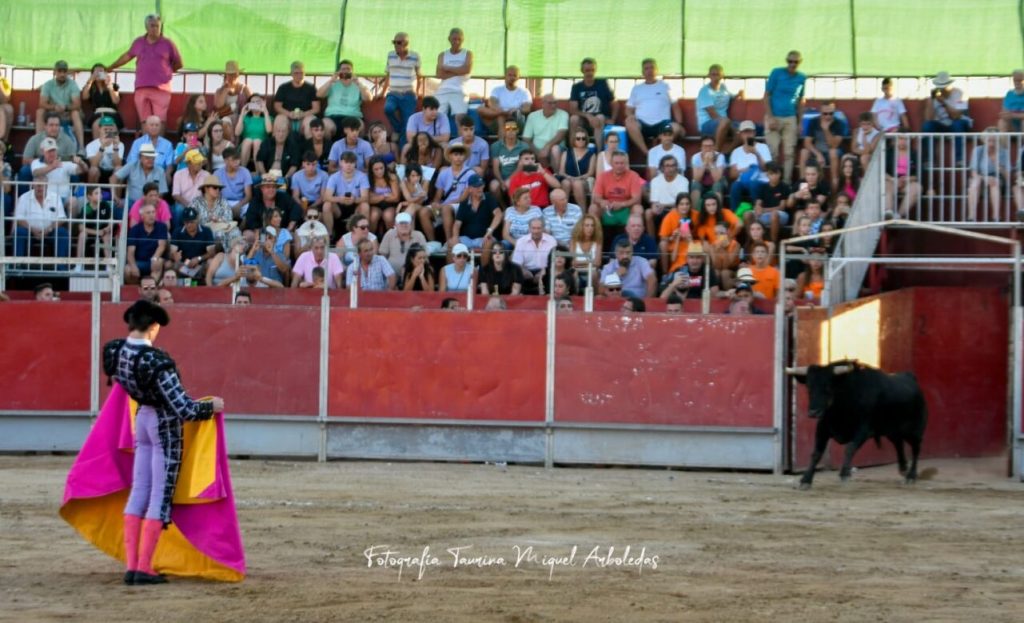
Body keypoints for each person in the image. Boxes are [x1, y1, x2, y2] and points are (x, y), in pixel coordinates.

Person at [101, 300, 225, 584]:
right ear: (154, 326)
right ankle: (144, 567)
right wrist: (212, 407)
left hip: (141, 421)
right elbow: (185, 409)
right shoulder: (156, 362)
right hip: (163, 427)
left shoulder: (115, 351)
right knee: (159, 493)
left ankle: (132, 566)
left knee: (139, 490)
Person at [108, 14, 183, 123]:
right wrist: (111, 67)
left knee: (159, 122)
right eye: (152, 26)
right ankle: (146, 141)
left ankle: (159, 141)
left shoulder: (168, 43)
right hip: (141, 87)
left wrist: (167, 72)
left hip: (161, 89)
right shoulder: (138, 42)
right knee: (144, 121)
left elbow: (179, 63)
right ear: (146, 27)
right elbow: (127, 56)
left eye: (158, 26)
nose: (155, 29)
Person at [624, 58, 684, 154]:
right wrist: (630, 116)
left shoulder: (665, 86)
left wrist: (680, 123)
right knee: (629, 123)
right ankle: (647, 153)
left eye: (652, 67)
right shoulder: (637, 88)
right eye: (646, 68)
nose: (649, 70)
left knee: (676, 128)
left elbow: (675, 106)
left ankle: (658, 149)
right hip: (642, 124)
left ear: (656, 70)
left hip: (663, 124)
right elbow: (628, 109)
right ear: (643, 72)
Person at [764, 50, 806, 182]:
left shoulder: (802, 78)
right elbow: (766, 95)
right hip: (774, 116)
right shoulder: (776, 72)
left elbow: (801, 100)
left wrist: (800, 122)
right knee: (773, 153)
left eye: (795, 62)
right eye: (790, 61)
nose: (792, 64)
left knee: (789, 153)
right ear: (786, 61)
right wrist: (770, 117)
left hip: (791, 117)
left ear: (800, 62)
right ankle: (773, 182)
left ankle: (786, 183)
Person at [380, 32, 422, 147]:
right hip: (393, 92)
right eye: (394, 42)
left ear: (406, 43)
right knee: (388, 109)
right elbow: (388, 75)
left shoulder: (415, 56)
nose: (395, 45)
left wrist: (417, 93)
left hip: (408, 93)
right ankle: (397, 128)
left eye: (398, 42)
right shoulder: (390, 55)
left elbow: (419, 76)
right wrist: (382, 92)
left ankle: (402, 152)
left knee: (408, 123)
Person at [922, 71, 972, 165]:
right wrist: (931, 100)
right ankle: (929, 159)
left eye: (943, 86)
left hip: (960, 123)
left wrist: (944, 102)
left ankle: (959, 159)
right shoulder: (935, 96)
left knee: (958, 124)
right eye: (939, 86)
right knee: (927, 126)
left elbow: (956, 116)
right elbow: (928, 118)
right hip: (943, 124)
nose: (941, 89)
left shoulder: (960, 93)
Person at [13, 181, 71, 261]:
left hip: (50, 232)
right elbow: (19, 218)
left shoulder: (55, 197)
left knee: (62, 232)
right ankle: (17, 265)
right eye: (37, 184)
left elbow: (61, 218)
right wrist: (32, 230)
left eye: (42, 184)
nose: (39, 186)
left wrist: (48, 229)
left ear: (47, 185)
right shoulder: (24, 197)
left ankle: (61, 267)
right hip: (29, 232)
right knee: (19, 232)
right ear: (32, 184)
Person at [568, 58, 617, 151]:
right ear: (582, 71)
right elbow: (573, 109)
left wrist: (612, 119)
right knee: (573, 119)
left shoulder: (603, 83)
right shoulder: (576, 87)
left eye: (592, 70)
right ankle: (573, 152)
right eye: (587, 70)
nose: (590, 73)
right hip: (584, 119)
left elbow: (614, 103)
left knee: (600, 118)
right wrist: (588, 116)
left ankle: (599, 154)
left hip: (601, 119)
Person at [36, 60, 85, 148]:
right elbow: (42, 103)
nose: (62, 74)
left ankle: (81, 147)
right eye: (59, 71)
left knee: (75, 113)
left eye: (64, 71)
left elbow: (77, 104)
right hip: (53, 113)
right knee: (40, 112)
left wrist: (65, 107)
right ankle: (39, 145)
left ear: (67, 72)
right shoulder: (48, 84)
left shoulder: (73, 84)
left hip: (68, 113)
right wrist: (54, 107)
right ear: (54, 72)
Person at [317, 59, 370, 139]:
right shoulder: (332, 84)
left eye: (348, 69)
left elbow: (368, 98)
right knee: (325, 125)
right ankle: (328, 150)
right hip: (333, 116)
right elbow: (319, 94)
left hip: (353, 116)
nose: (345, 71)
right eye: (343, 69)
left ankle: (357, 150)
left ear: (352, 72)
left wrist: (358, 83)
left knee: (359, 125)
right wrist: (331, 80)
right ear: (338, 71)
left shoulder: (358, 84)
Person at [589, 151, 644, 227]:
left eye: (622, 163)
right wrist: (603, 201)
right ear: (611, 164)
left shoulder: (633, 176)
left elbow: (636, 199)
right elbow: (597, 197)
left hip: (626, 208)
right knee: (593, 208)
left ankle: (635, 237)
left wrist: (622, 204)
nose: (619, 166)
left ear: (625, 164)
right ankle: (596, 237)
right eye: (616, 163)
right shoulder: (603, 176)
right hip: (607, 208)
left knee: (638, 209)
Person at [967, 129, 1011, 222]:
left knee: (994, 182)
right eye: (989, 140)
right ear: (984, 140)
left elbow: (1008, 176)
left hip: (998, 177)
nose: (991, 143)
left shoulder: (1004, 152)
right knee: (975, 183)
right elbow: (973, 171)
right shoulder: (978, 150)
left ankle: (996, 217)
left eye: (994, 140)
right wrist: (984, 178)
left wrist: (1001, 168)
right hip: (981, 176)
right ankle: (971, 216)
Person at [729, 120, 773, 214]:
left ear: (754, 133)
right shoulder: (736, 152)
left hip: (760, 180)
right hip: (742, 181)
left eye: (750, 132)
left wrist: (756, 153)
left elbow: (766, 169)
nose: (747, 135)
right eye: (745, 132)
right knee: (735, 186)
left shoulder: (763, 147)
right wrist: (745, 170)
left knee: (754, 184)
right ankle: (734, 216)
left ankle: (756, 214)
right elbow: (732, 174)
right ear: (740, 134)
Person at [477, 65, 533, 139]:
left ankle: (501, 144)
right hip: (497, 120)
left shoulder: (524, 91)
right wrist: (503, 112)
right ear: (505, 76)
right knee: (480, 109)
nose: (512, 78)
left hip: (515, 121)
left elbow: (527, 109)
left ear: (518, 77)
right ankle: (502, 116)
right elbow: (491, 103)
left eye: (515, 75)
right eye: (509, 75)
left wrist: (516, 110)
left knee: (502, 117)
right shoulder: (497, 89)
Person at [323, 152, 370, 237]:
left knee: (365, 205)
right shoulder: (334, 177)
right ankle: (329, 235)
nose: (349, 165)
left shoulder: (362, 176)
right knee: (327, 205)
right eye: (346, 162)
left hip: (355, 206)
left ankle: (364, 235)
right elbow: (327, 196)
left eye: (351, 163)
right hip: (339, 207)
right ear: (341, 163)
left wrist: (354, 199)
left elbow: (365, 197)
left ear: (355, 163)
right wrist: (340, 199)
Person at [798, 101, 843, 187]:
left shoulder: (839, 123)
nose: (828, 116)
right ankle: (803, 184)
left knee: (833, 152)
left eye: (831, 113)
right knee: (804, 152)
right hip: (817, 153)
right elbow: (807, 142)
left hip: (832, 154)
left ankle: (834, 183)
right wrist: (818, 154)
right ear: (820, 113)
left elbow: (834, 145)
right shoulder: (813, 122)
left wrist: (826, 130)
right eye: (825, 114)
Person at [452, 173, 502, 249]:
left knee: (488, 243)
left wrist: (489, 231)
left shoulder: (489, 197)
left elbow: (498, 214)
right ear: (470, 189)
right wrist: (455, 237)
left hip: (484, 238)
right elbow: (457, 224)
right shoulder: (464, 203)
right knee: (451, 243)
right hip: (467, 239)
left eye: (481, 185)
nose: (480, 189)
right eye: (476, 186)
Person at [696, 64, 739, 150]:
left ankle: (727, 152)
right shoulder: (705, 91)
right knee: (725, 122)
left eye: (718, 74)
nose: (715, 77)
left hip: (724, 122)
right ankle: (717, 151)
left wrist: (740, 94)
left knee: (743, 130)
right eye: (713, 74)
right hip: (707, 124)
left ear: (722, 76)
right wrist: (730, 125)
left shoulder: (723, 87)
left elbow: (731, 96)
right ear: (709, 76)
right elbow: (713, 115)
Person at [434, 28, 473, 123]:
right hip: (443, 90)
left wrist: (447, 68)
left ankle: (460, 138)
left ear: (463, 40)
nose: (456, 42)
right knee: (436, 116)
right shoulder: (442, 55)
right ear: (449, 39)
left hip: (460, 90)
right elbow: (439, 74)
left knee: (460, 118)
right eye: (454, 39)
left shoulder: (468, 54)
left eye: (459, 39)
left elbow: (467, 70)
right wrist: (459, 70)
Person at [273, 61, 320, 139]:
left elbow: (316, 108)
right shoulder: (283, 87)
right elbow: (277, 106)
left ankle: (310, 149)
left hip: (305, 116)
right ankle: (277, 148)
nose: (299, 75)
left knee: (311, 122)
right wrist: (289, 114)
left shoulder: (311, 87)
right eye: (296, 73)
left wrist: (304, 114)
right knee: (280, 120)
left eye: (301, 73)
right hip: (287, 116)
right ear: (291, 74)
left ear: (305, 73)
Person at [646, 154, 689, 236]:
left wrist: (664, 205)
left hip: (676, 209)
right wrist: (655, 207)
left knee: (676, 211)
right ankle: (652, 241)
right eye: (667, 166)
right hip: (660, 210)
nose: (671, 168)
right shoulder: (655, 181)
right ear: (662, 168)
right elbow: (654, 201)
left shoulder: (683, 181)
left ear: (676, 167)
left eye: (673, 165)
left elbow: (683, 202)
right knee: (648, 212)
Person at [512, 217, 558, 295]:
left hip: (545, 271)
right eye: (533, 228)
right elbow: (517, 263)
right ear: (529, 229)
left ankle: (547, 297)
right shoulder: (521, 241)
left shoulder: (552, 241)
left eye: (538, 228)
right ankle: (516, 298)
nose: (536, 231)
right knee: (517, 273)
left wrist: (543, 272)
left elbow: (553, 261)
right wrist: (523, 271)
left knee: (551, 274)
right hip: (526, 271)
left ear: (543, 228)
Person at [489, 120, 530, 206]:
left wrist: (509, 180)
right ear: (504, 131)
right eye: (507, 128)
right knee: (493, 186)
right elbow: (495, 168)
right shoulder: (496, 146)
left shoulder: (524, 146)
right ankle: (503, 208)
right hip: (501, 178)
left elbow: (521, 167)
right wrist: (501, 182)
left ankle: (514, 210)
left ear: (517, 130)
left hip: (519, 177)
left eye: (513, 128)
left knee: (513, 186)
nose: (511, 131)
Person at [522, 94, 569, 169]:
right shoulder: (533, 116)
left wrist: (547, 147)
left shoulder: (563, 114)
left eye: (555, 103)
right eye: (550, 103)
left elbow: (561, 134)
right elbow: (526, 138)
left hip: (557, 148)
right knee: (524, 149)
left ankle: (557, 176)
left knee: (555, 149)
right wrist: (537, 153)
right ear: (543, 104)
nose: (553, 106)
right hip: (536, 149)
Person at [126, 203, 168, 284]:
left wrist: (154, 258)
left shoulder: (161, 227)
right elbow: (130, 252)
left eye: (153, 212)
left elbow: (162, 246)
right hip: (139, 261)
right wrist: (133, 266)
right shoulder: (135, 229)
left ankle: (151, 288)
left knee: (158, 262)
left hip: (154, 260)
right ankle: (136, 291)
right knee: (128, 270)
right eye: (148, 213)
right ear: (142, 216)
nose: (151, 215)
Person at [169, 207, 215, 281]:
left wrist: (199, 259)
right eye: (187, 222)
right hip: (183, 264)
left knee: (210, 262)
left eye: (192, 222)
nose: (189, 225)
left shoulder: (206, 231)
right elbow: (172, 252)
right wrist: (174, 255)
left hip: (201, 264)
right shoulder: (177, 232)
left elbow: (212, 252)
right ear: (183, 221)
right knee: (172, 265)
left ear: (197, 220)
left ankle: (207, 285)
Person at [213, 60, 252, 143]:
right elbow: (218, 106)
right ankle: (230, 146)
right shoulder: (220, 90)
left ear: (238, 75)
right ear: (226, 75)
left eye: (234, 74)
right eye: (229, 75)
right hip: (224, 117)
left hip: (241, 117)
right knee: (225, 123)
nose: (232, 77)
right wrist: (226, 90)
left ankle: (233, 147)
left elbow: (252, 103)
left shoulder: (244, 88)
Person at [81, 63, 123, 138]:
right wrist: (90, 80)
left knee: (110, 124)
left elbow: (116, 101)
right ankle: (98, 148)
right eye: (96, 72)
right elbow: (84, 97)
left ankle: (111, 147)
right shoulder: (90, 87)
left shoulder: (113, 86)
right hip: (97, 114)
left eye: (101, 72)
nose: (98, 74)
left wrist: (109, 86)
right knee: (97, 124)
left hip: (111, 113)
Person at [558, 127, 596, 207]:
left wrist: (578, 178)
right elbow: (561, 171)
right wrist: (569, 177)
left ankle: (582, 212)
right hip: (568, 178)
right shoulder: (566, 153)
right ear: (574, 139)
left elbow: (590, 172)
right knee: (565, 183)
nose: (581, 141)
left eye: (583, 138)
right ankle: (563, 208)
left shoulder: (591, 155)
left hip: (583, 180)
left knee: (577, 184)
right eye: (578, 138)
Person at [76, 186, 114, 267]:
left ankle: (109, 265)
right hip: (90, 233)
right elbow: (81, 227)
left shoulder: (105, 204)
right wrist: (97, 232)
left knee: (107, 236)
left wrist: (107, 228)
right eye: (96, 193)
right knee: (82, 235)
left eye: (101, 193)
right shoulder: (87, 209)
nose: (100, 195)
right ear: (89, 196)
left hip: (103, 233)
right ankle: (78, 264)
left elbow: (111, 221)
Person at [690, 135, 728, 210]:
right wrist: (704, 162)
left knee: (717, 185)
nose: (708, 149)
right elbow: (696, 178)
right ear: (701, 147)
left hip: (717, 183)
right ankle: (694, 213)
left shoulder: (720, 156)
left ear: (714, 147)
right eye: (705, 146)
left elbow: (717, 178)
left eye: (710, 146)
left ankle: (718, 213)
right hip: (702, 183)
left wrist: (710, 163)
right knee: (695, 184)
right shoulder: (696, 157)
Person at [234, 93, 271, 168]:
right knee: (248, 140)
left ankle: (258, 171)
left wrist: (265, 112)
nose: (255, 104)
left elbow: (269, 130)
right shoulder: (246, 118)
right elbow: (237, 133)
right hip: (245, 144)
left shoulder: (267, 118)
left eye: (258, 102)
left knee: (257, 141)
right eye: (252, 102)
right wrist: (242, 115)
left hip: (262, 144)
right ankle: (242, 169)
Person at [85, 116, 125, 184]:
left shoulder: (120, 144)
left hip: (112, 171)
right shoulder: (91, 145)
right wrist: (102, 146)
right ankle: (92, 193)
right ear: (99, 129)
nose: (108, 132)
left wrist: (115, 146)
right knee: (93, 170)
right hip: (99, 171)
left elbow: (118, 164)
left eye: (111, 129)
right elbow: (93, 164)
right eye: (105, 129)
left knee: (119, 169)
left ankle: (116, 195)